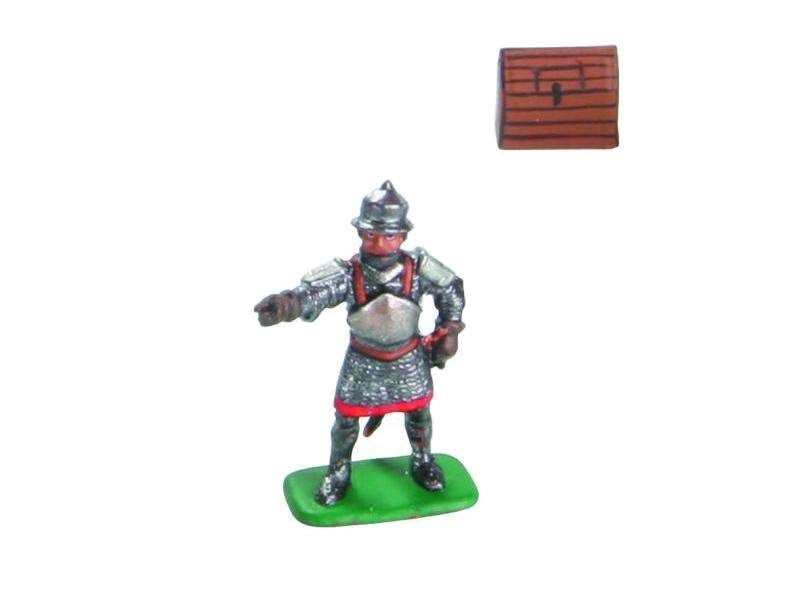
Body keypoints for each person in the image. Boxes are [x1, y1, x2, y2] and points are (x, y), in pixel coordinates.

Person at [254, 181, 466, 505]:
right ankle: (338, 471)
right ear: (360, 233)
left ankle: (423, 459)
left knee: (419, 412)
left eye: (388, 236)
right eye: (371, 235)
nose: (379, 243)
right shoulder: (348, 273)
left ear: (402, 236)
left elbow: (450, 288)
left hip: (408, 357)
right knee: (346, 420)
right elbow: (315, 293)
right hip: (362, 359)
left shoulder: (419, 268)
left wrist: (449, 328)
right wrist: (286, 305)